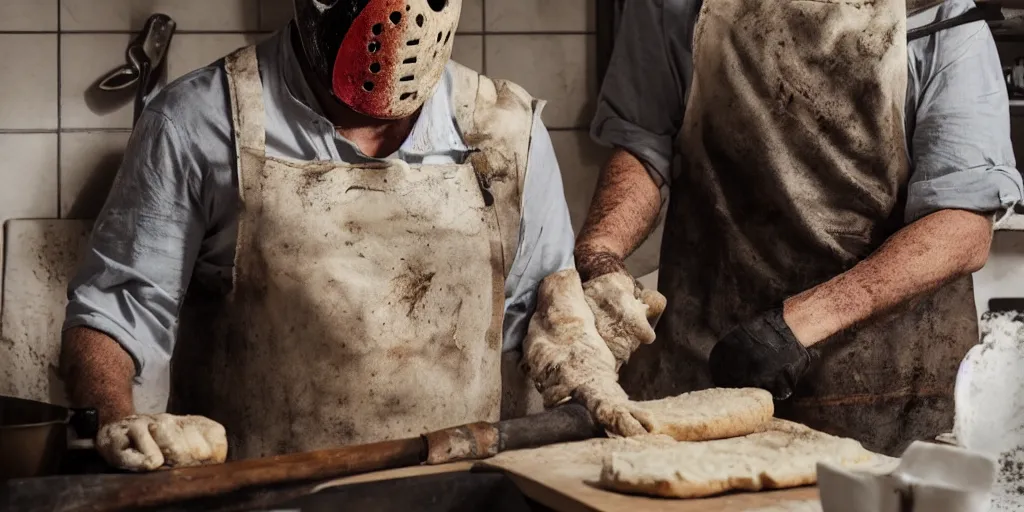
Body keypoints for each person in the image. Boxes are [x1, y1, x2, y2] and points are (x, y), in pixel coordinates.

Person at [57, 0, 623, 471]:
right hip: (261, 498)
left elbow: (544, 320)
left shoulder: (506, 131)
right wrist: (114, 419)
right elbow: (114, 316)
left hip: (456, 494)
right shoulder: (199, 122)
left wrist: (589, 357)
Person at [577, 0, 1023, 456]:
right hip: (706, 374)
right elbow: (641, 147)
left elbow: (962, 224)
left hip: (884, 391)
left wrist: (793, 328)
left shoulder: (938, 12)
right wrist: (600, 249)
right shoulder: (672, 6)